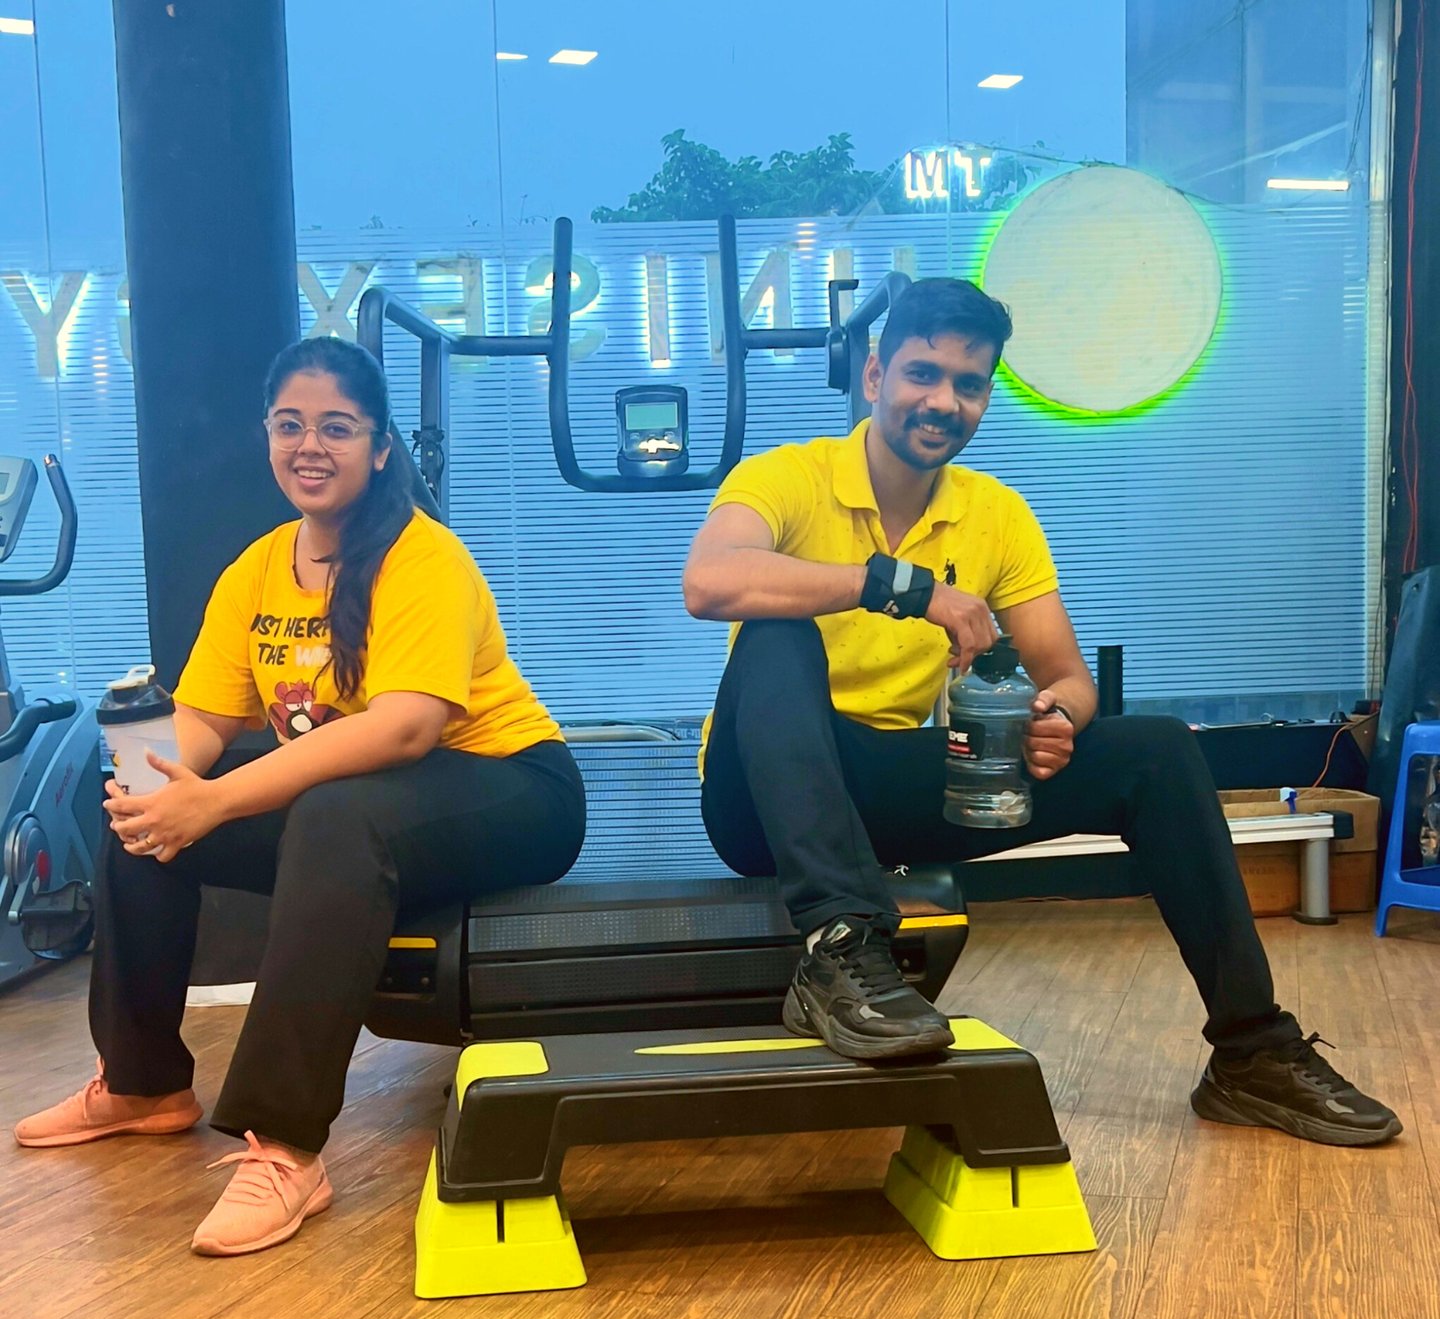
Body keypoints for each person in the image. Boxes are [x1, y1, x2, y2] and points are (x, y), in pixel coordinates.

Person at [683, 278, 1399, 1148]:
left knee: (1157, 751)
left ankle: (1251, 1050)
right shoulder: (787, 478)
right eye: (922, 373)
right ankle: (838, 950)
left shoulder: (995, 515)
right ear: (874, 375)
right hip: (761, 797)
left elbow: (1068, 673)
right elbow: (709, 582)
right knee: (774, 635)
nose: (943, 401)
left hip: (884, 787)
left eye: (969, 384)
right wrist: (899, 587)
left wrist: (1061, 713)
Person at [13, 337, 587, 1251]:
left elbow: (403, 730)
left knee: (328, 812)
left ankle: (284, 1146)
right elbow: (198, 722)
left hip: (513, 788)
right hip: (365, 807)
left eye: (336, 427)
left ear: (381, 445)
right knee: (138, 808)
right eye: (290, 425)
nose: (309, 445)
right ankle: (143, 1081)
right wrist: (160, 790)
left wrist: (219, 799)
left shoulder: (422, 559)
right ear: (267, 436)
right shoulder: (258, 569)